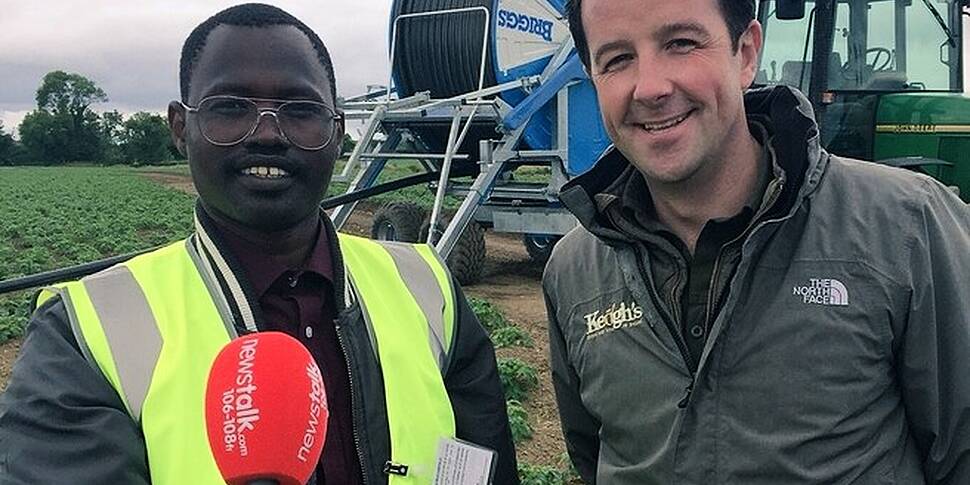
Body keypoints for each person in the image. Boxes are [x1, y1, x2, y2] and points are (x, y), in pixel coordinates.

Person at [0, 4, 517, 484]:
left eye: (299, 109)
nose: (267, 134)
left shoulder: (428, 288)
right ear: (181, 128)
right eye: (231, 107)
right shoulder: (88, 331)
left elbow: (482, 464)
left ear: (337, 132)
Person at [543, 0, 970, 483]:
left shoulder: (906, 227)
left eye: (681, 44)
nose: (651, 87)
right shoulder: (574, 269)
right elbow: (590, 454)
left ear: (746, 53)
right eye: (617, 59)